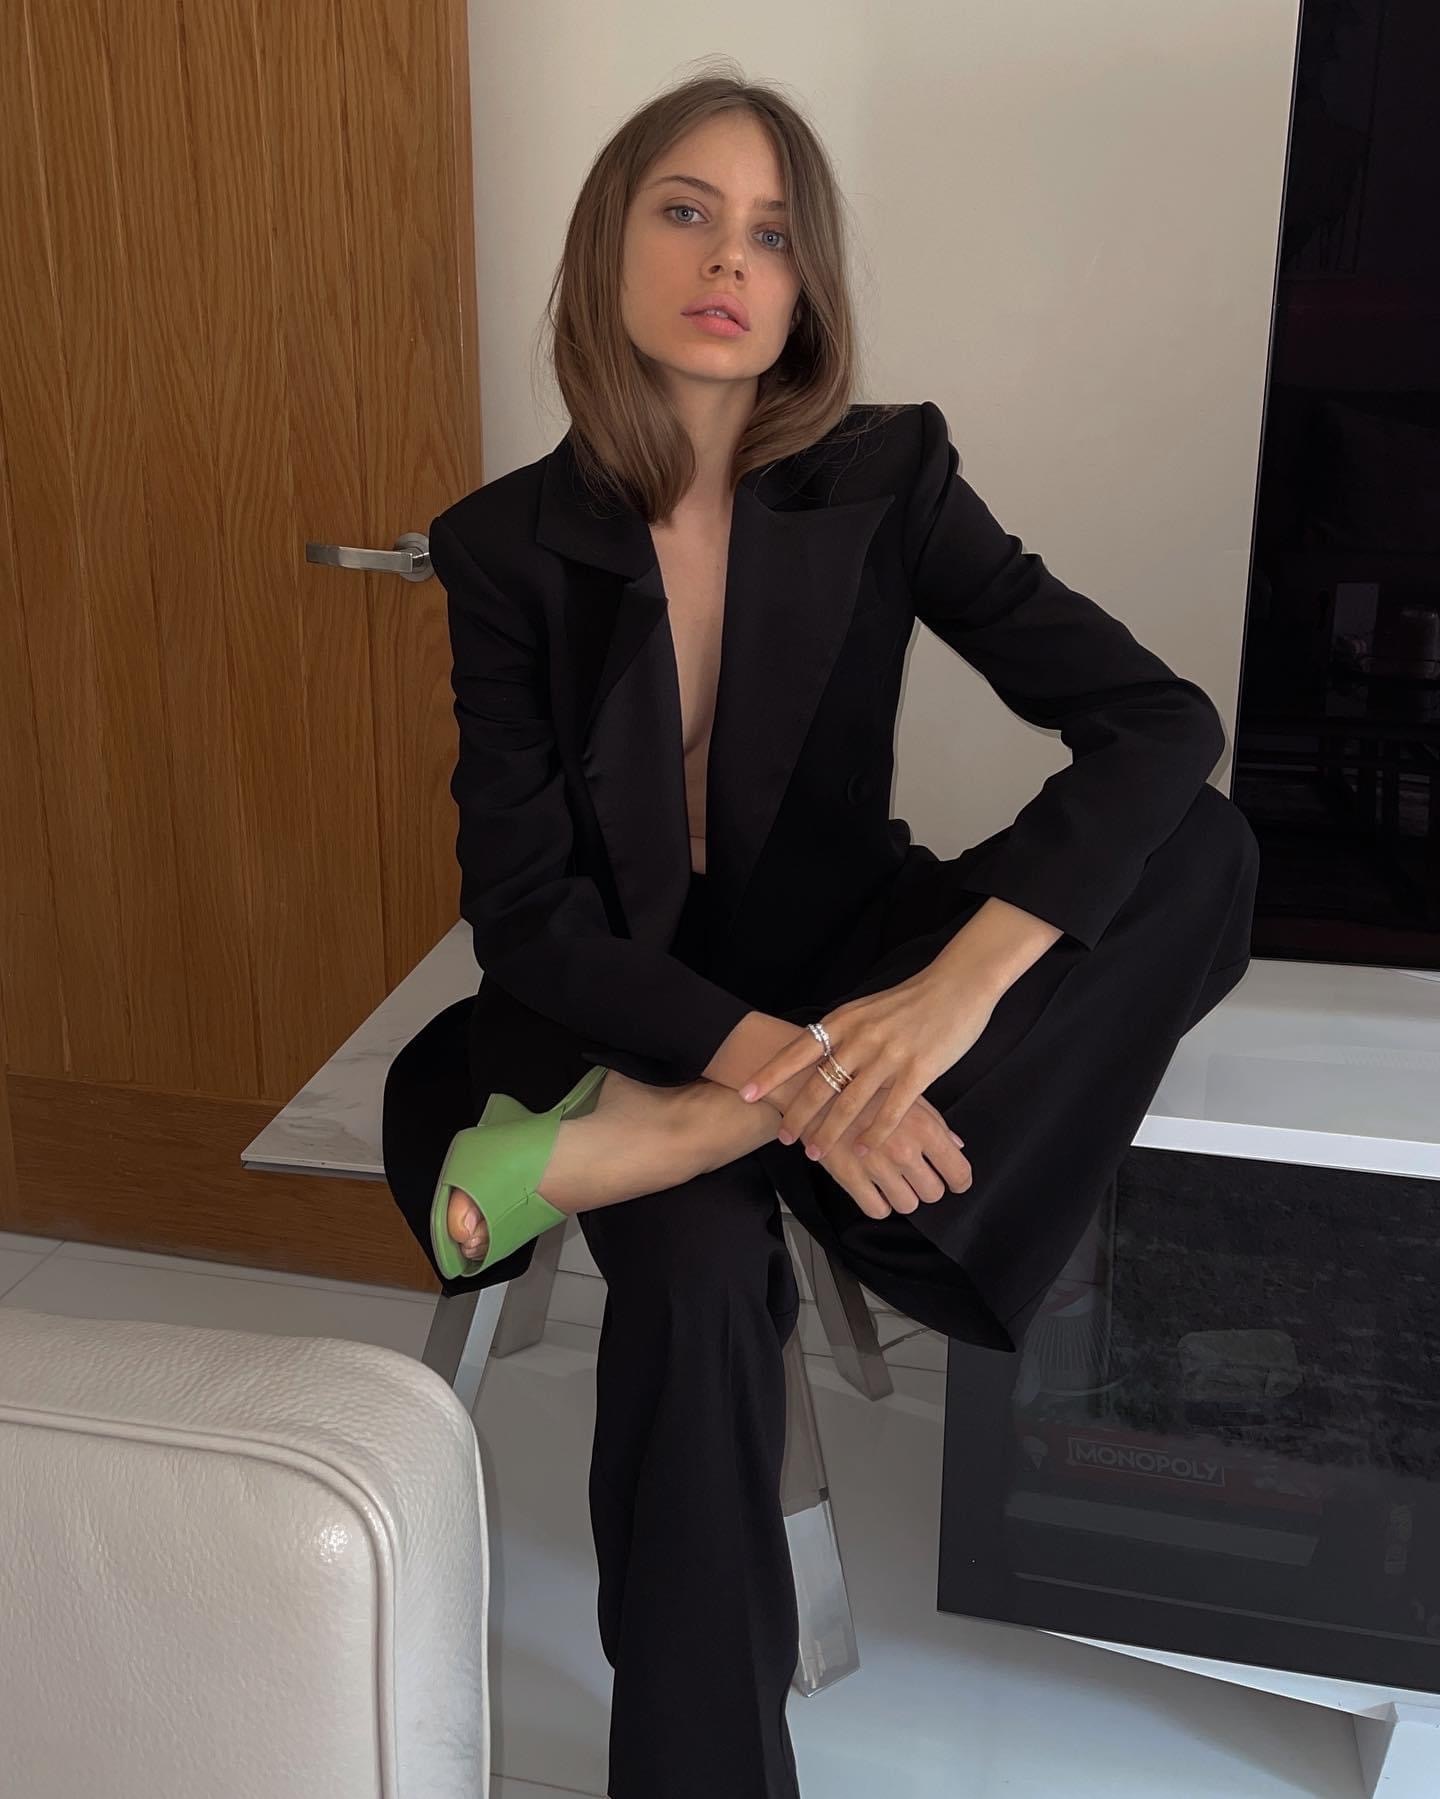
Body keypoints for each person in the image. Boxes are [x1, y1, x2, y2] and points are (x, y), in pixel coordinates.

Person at [396, 64, 1260, 1799]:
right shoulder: (506, 547)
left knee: (1207, 849)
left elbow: (1160, 724)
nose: (732, 258)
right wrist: (779, 1067)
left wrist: (944, 1002)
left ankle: (683, 1140)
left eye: (775, 233)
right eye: (687, 211)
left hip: (846, 970)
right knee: (702, 1274)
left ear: (806, 289)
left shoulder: (887, 474)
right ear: (609, 244)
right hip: (632, 1006)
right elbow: (530, 915)